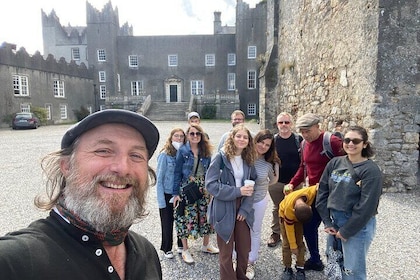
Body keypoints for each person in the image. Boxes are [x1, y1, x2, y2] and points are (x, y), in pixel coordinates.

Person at [0, 109, 162, 280]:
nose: (123, 168)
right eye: (103, 151)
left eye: (136, 155)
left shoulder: (147, 253)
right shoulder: (16, 262)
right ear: (67, 166)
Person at [316, 126, 383, 280]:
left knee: (352, 271)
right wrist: (327, 221)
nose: (350, 144)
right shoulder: (334, 163)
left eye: (356, 140)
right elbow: (323, 192)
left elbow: (367, 206)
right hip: (335, 221)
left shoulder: (371, 171)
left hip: (358, 225)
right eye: (347, 140)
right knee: (335, 264)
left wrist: (347, 230)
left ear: (364, 144)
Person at [284, 113, 344, 271]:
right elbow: (303, 167)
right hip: (315, 193)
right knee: (309, 226)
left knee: (336, 227)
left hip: (335, 194)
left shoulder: (332, 142)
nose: (305, 135)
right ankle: (316, 259)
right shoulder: (304, 144)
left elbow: (348, 166)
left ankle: (339, 263)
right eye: (302, 131)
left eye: (308, 131)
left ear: (318, 126)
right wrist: (292, 183)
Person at [206, 124, 257, 280]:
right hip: (224, 207)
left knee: (244, 249)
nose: (241, 139)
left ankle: (241, 276)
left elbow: (252, 184)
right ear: (232, 138)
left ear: (249, 141)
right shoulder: (220, 157)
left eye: (245, 137)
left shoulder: (248, 159)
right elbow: (210, 185)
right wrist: (237, 191)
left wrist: (245, 209)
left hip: (242, 207)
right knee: (226, 252)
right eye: (238, 136)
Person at [172, 124, 218, 264]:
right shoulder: (183, 150)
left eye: (198, 134)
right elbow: (177, 172)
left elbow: (210, 172)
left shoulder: (206, 151)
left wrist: (211, 191)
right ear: (188, 135)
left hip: (203, 187)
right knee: (186, 217)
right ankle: (185, 249)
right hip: (187, 186)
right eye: (192, 134)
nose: (195, 136)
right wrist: (175, 193)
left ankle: (206, 245)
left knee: (206, 215)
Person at [246, 129, 280, 279]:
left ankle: (250, 261)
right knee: (237, 229)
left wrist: (262, 185)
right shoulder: (244, 156)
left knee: (255, 230)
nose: (263, 146)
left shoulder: (269, 163)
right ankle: (236, 257)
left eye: (267, 145)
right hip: (240, 199)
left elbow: (273, 181)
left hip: (258, 200)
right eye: (261, 142)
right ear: (255, 140)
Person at [267, 112, 303, 247]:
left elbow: (303, 161)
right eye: (281, 122)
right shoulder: (273, 141)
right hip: (276, 182)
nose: (283, 125)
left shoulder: (298, 140)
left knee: (295, 208)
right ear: (277, 124)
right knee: (277, 208)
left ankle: (294, 235)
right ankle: (275, 233)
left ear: (291, 124)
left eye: (286, 122)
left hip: (295, 183)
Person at [156, 128, 186, 259]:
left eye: (181, 137)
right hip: (167, 193)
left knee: (181, 220)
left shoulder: (185, 154)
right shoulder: (165, 155)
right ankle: (167, 247)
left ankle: (181, 244)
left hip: (180, 193)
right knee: (167, 222)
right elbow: (159, 179)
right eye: (176, 136)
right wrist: (161, 201)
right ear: (171, 137)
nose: (179, 139)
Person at [279, 185, 318, 280]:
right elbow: (289, 230)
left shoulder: (310, 193)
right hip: (284, 217)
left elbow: (317, 186)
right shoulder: (289, 210)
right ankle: (287, 268)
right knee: (287, 244)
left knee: (300, 243)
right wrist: (293, 246)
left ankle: (300, 267)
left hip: (299, 217)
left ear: (309, 207)